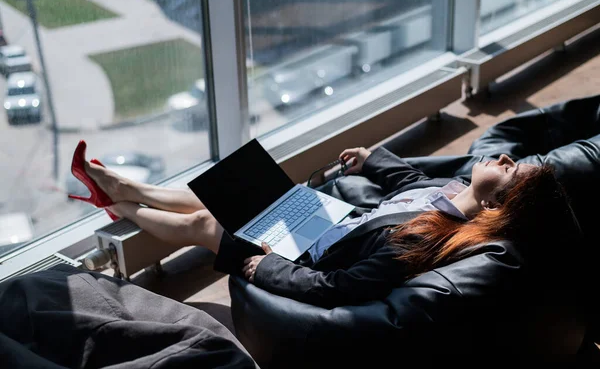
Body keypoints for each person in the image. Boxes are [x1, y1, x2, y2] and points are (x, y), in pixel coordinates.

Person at [68, 140, 579, 309]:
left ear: (495, 207)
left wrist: (262, 266)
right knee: (241, 193)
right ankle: (125, 190)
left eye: (511, 171)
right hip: (334, 222)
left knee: (206, 222)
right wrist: (371, 159)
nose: (506, 157)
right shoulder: (453, 194)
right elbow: (410, 184)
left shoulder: (426, 236)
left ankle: (116, 204)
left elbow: (341, 287)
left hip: (311, 253)